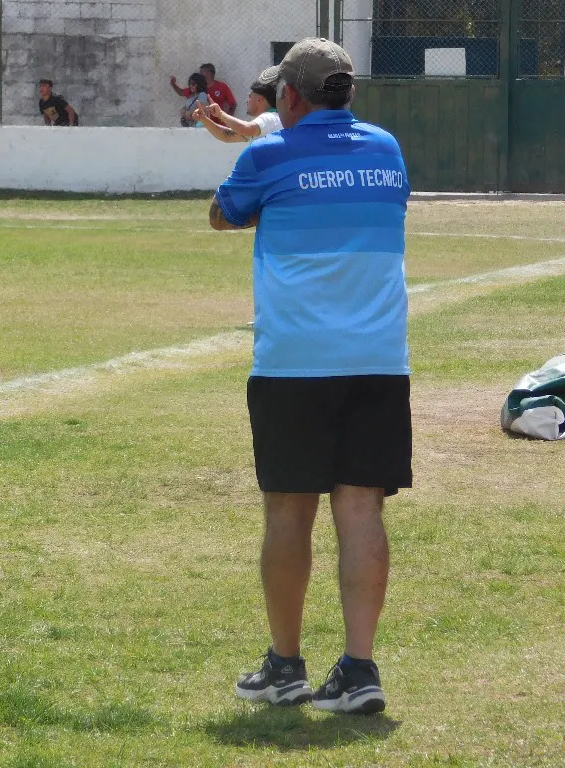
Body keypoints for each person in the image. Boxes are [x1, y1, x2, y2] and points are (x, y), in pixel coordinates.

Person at [210, 38, 411, 714]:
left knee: (288, 513)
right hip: (380, 361)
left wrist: (261, 147)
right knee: (361, 510)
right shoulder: (387, 150)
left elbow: (222, 215)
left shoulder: (268, 155)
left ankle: (286, 665)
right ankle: (359, 669)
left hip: (296, 362)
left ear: (290, 96)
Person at [198, 65, 283, 143]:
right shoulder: (268, 122)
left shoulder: (269, 118)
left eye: (250, 97)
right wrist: (204, 119)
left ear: (259, 100)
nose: (246, 100)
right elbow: (227, 136)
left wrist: (220, 114)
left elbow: (244, 128)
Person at [172, 62, 237, 115]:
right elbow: (181, 92)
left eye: (201, 72)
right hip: (201, 125)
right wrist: (173, 84)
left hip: (219, 125)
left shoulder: (222, 86)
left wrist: (228, 120)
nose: (199, 74)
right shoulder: (197, 87)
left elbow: (233, 104)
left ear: (208, 73)